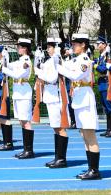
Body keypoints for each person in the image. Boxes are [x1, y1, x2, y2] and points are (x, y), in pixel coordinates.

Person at [58, 33, 101, 180]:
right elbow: (65, 65)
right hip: (78, 99)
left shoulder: (85, 60)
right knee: (84, 135)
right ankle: (91, 168)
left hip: (85, 98)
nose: (73, 46)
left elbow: (75, 76)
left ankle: (94, 170)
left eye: (76, 44)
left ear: (83, 45)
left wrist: (59, 68)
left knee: (90, 135)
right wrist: (56, 57)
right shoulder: (76, 59)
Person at [37, 37, 69, 169]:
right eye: (48, 47)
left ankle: (61, 159)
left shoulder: (56, 59)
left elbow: (52, 78)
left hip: (56, 96)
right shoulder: (51, 60)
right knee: (55, 127)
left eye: (50, 46)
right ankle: (58, 157)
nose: (48, 49)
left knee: (59, 127)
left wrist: (39, 73)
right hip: (50, 95)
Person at [3, 38, 34, 157]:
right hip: (18, 93)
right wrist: (5, 57)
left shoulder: (26, 61)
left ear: (25, 48)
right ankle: (26, 149)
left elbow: (17, 74)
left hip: (24, 93)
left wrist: (5, 70)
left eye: (19, 47)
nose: (17, 49)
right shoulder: (20, 60)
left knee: (26, 121)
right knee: (22, 121)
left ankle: (29, 150)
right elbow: (9, 65)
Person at [93, 35, 111, 138]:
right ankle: (108, 129)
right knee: (106, 108)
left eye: (99, 44)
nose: (97, 45)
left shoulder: (107, 56)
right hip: (102, 83)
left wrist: (94, 65)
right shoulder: (101, 56)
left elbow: (103, 69)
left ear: (104, 45)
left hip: (107, 83)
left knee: (110, 107)